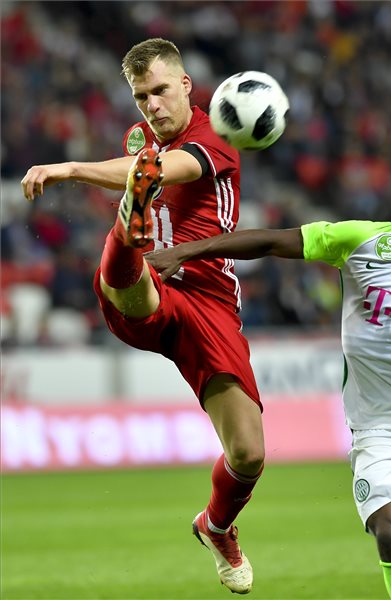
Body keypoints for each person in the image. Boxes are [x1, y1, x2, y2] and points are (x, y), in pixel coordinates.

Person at [144, 164, 391, 600]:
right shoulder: (361, 240)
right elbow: (273, 241)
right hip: (378, 428)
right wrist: (185, 252)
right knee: (390, 532)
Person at [21, 38, 262, 595]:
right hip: (150, 286)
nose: (152, 105)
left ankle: (216, 527)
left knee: (248, 454)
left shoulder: (216, 138)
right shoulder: (144, 143)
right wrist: (110, 174)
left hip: (209, 301)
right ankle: (126, 235)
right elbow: (145, 164)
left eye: (159, 91)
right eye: (140, 97)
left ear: (185, 86)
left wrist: (74, 168)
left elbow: (172, 168)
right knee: (133, 268)